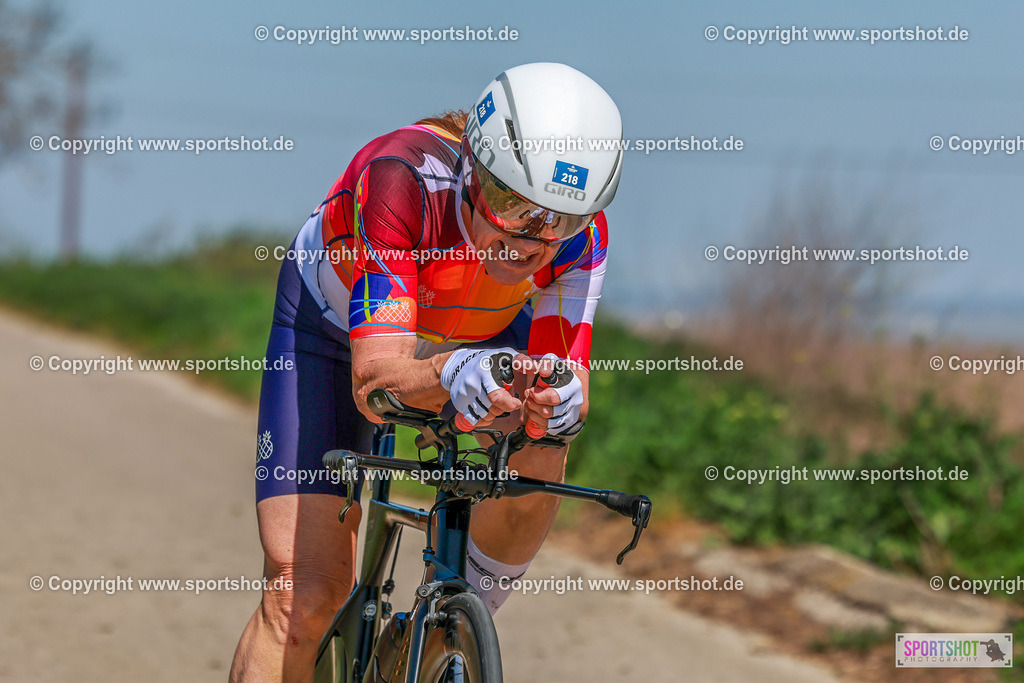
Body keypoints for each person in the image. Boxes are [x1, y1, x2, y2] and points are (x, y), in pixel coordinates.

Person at [230, 61, 623, 681]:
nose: (532, 238)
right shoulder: (400, 180)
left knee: (546, 436)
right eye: (511, 202)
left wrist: (559, 400)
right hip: (334, 332)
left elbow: (567, 380)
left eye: (562, 219)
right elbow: (377, 379)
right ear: (475, 165)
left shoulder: (581, 236)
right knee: (300, 598)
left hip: (478, 331)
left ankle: (449, 621)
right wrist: (453, 367)